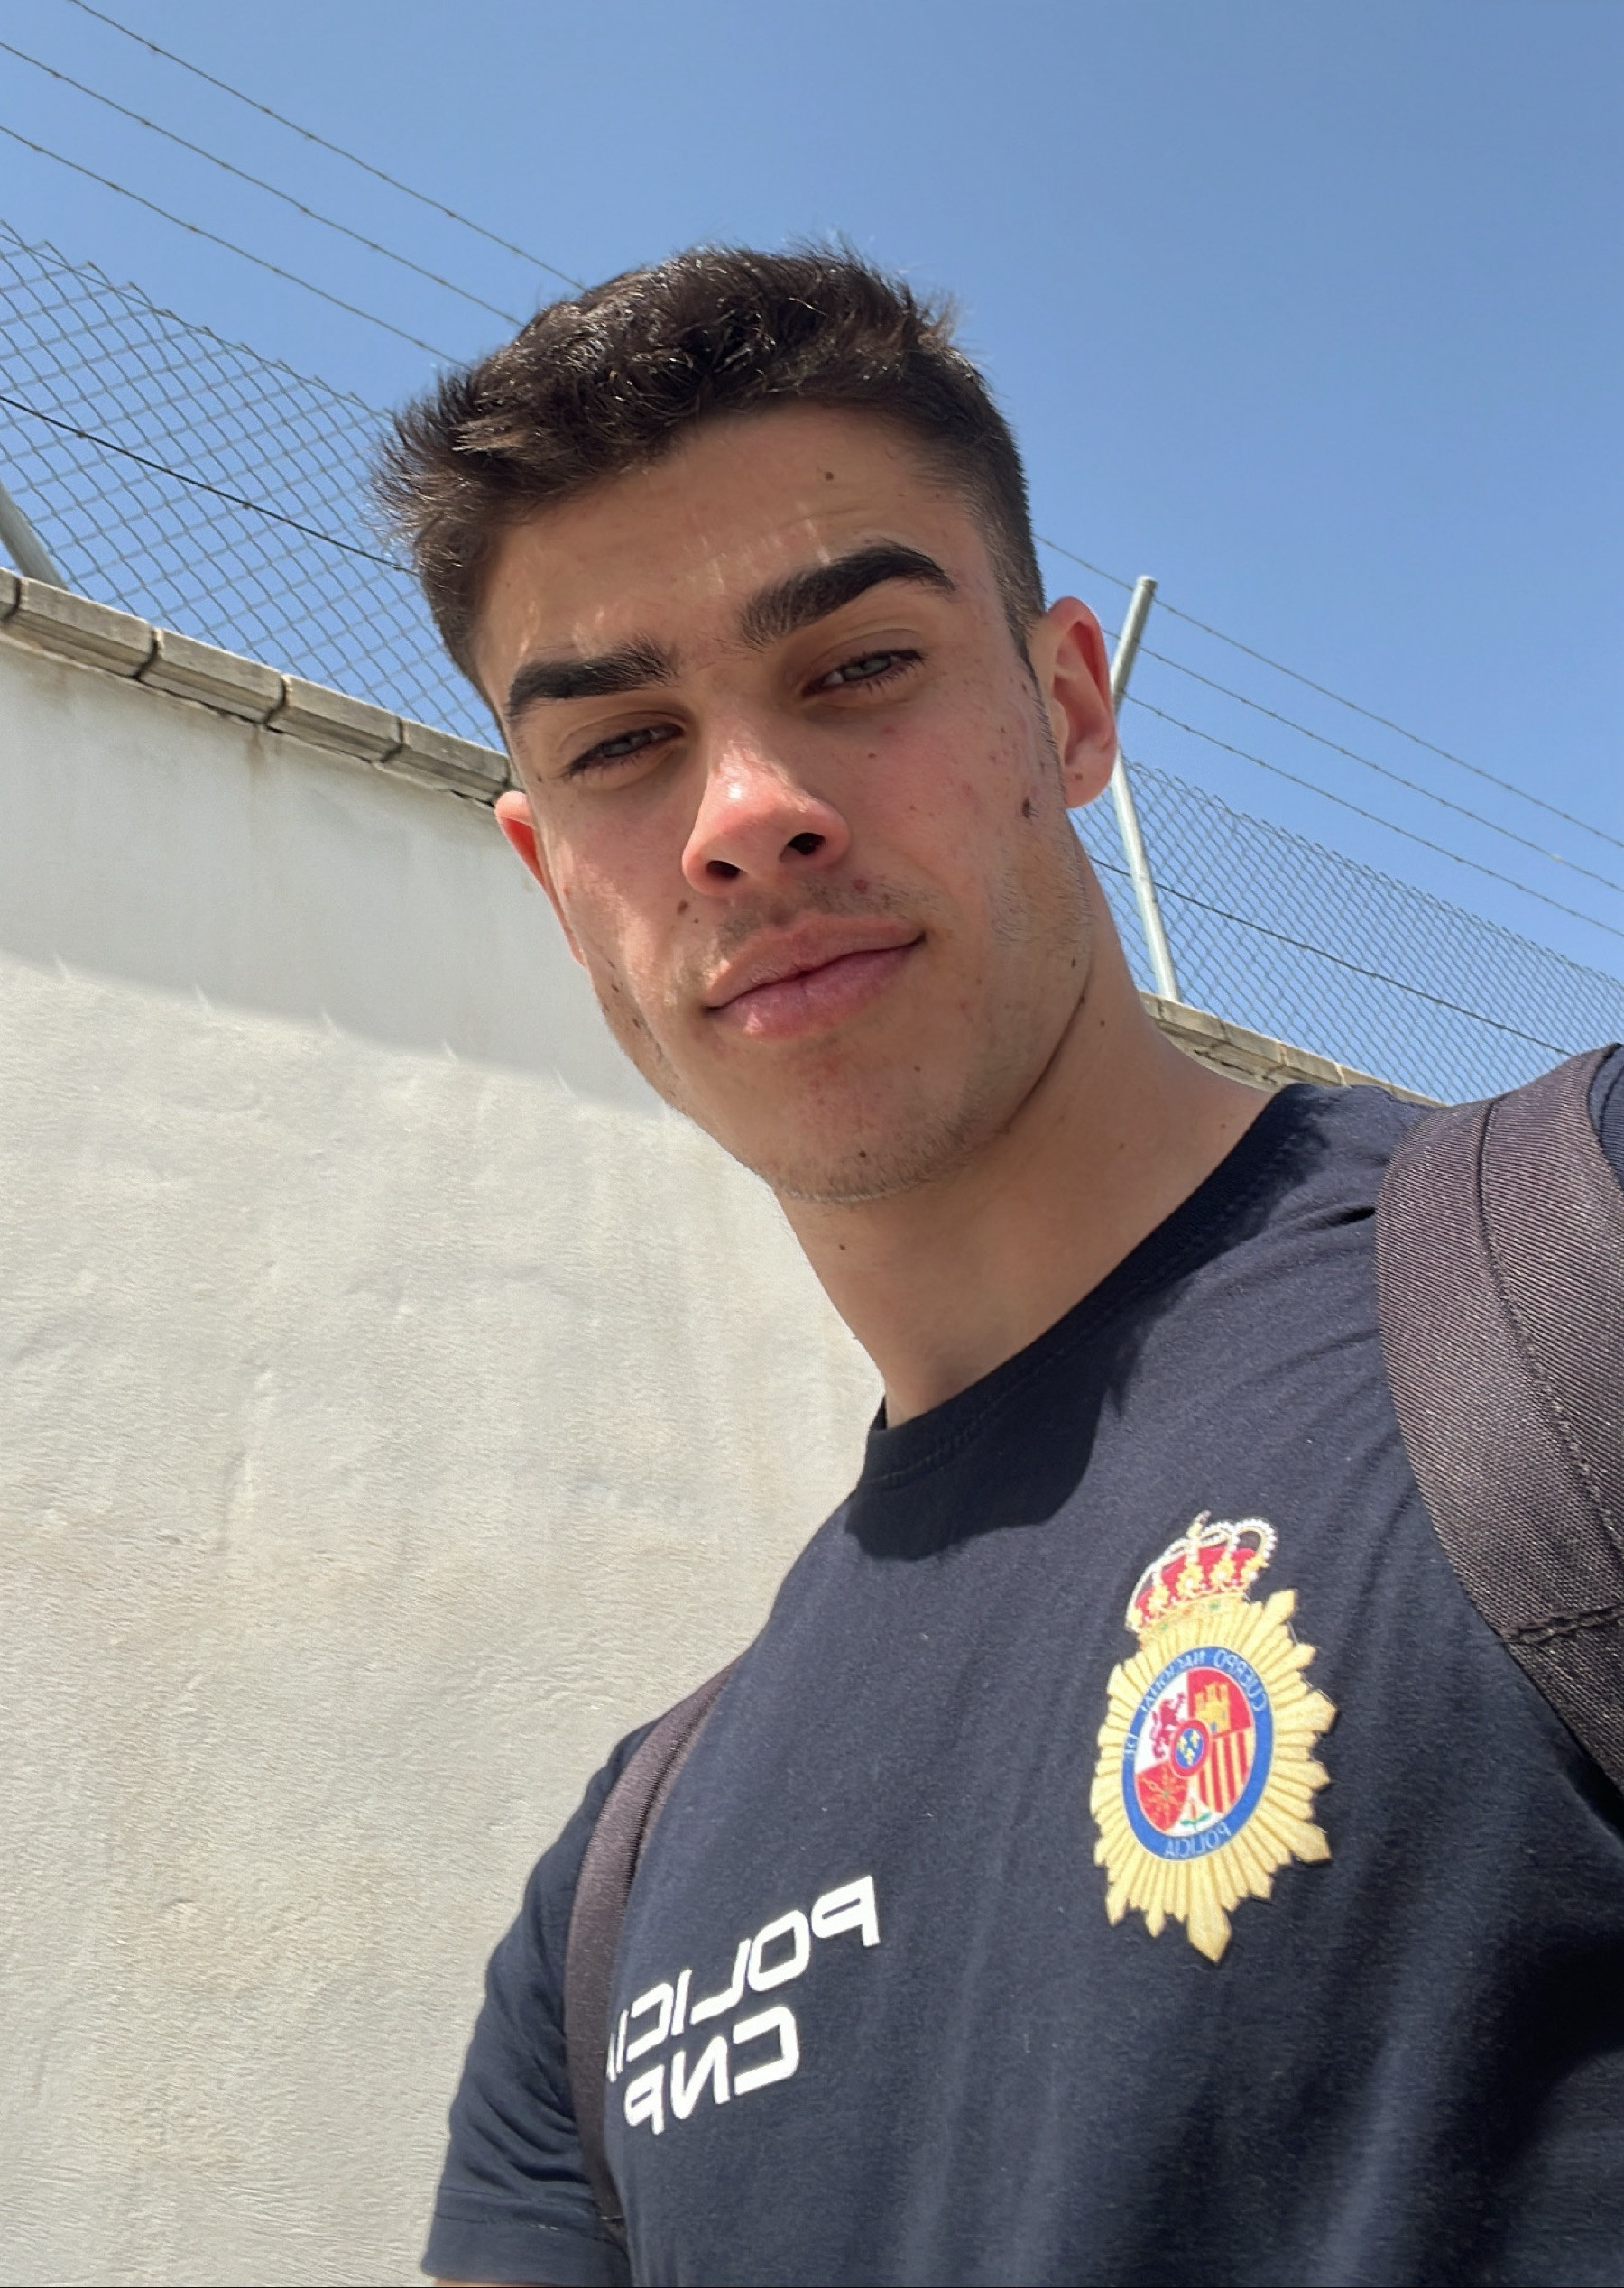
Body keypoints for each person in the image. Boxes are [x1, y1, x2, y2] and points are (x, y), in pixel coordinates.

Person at [380, 246, 1624, 2288]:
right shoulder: (601, 1924)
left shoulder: (1576, 1288)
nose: (746, 815)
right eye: (622, 745)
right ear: (551, 878)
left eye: (857, 666)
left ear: (1067, 706)